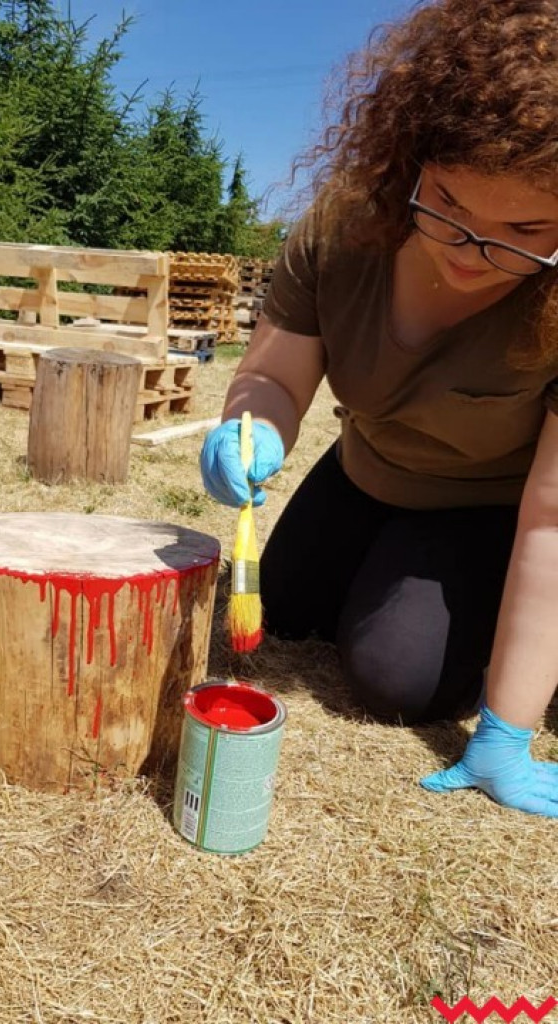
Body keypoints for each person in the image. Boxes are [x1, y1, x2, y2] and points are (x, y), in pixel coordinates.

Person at [201, 0, 558, 818]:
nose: (469, 255)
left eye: (522, 231)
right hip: (365, 468)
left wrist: (506, 731)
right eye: (449, 207)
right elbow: (276, 378)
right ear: (412, 159)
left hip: (489, 505)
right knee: (278, 609)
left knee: (396, 677)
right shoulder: (346, 223)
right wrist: (249, 424)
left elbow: (552, 516)